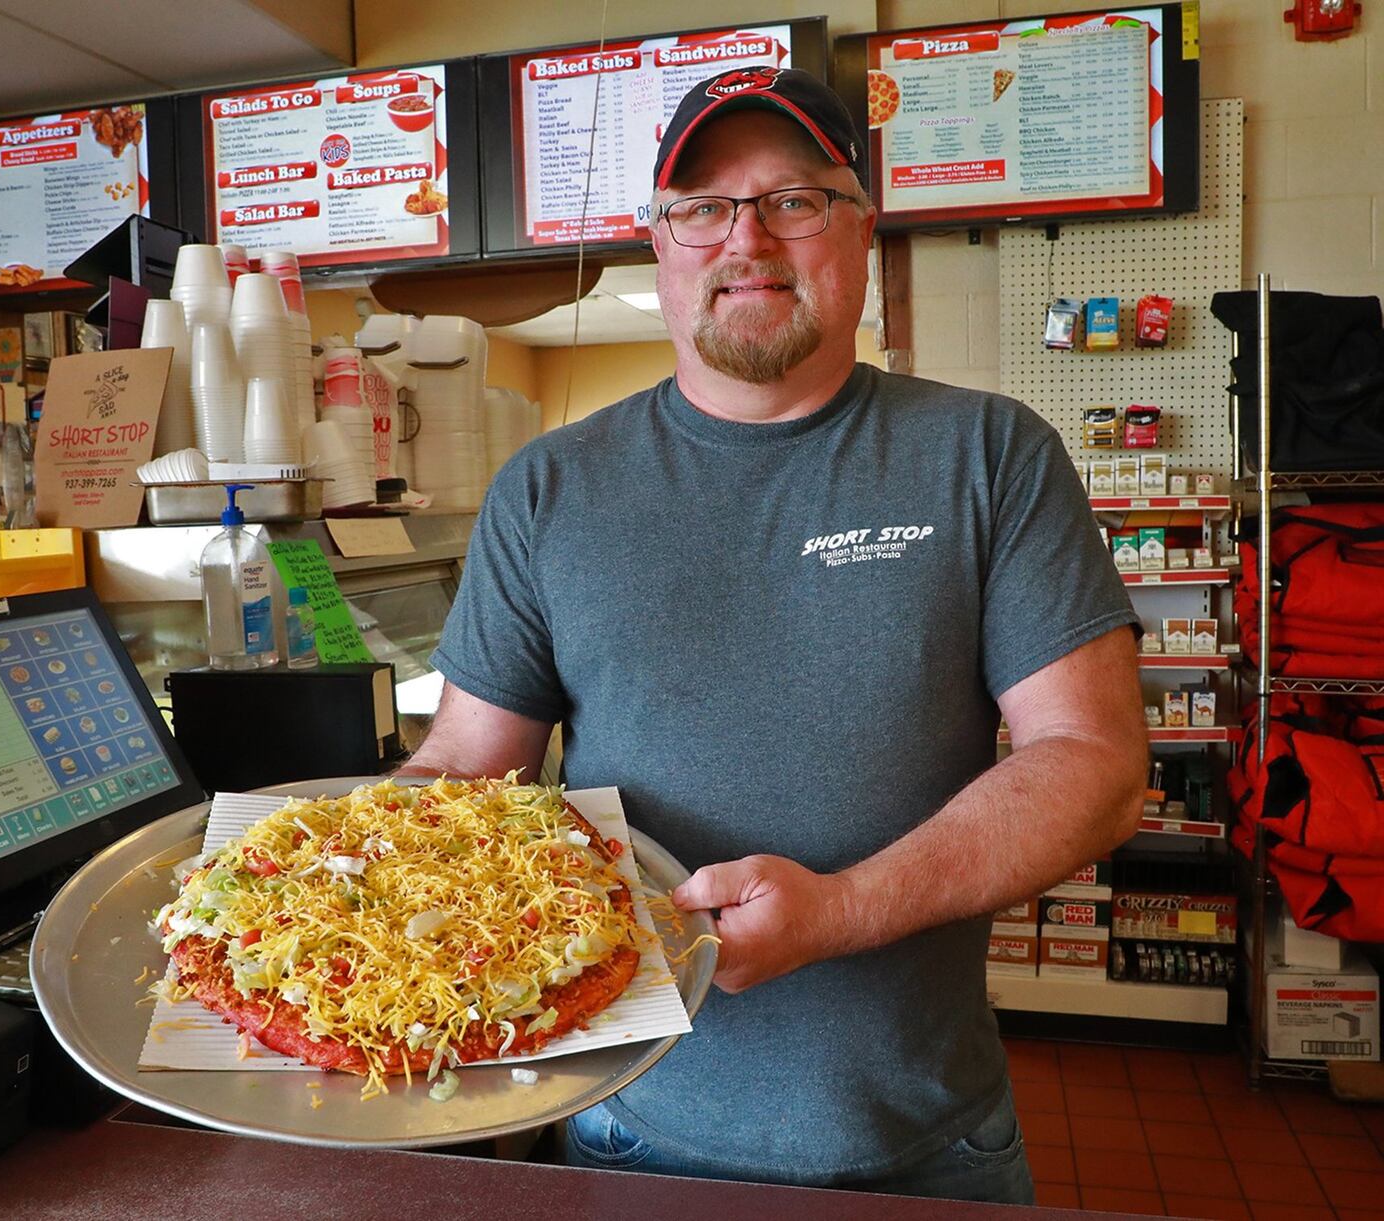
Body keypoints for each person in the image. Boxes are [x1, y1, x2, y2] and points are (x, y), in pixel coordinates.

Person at [399, 67, 1146, 1203]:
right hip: (625, 1129)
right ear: (660, 243)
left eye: (793, 199)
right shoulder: (549, 485)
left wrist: (841, 911)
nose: (745, 238)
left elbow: (1091, 767)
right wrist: (318, 865)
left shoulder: (987, 453)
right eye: (702, 206)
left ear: (859, 232)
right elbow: (463, 766)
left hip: (930, 1140)